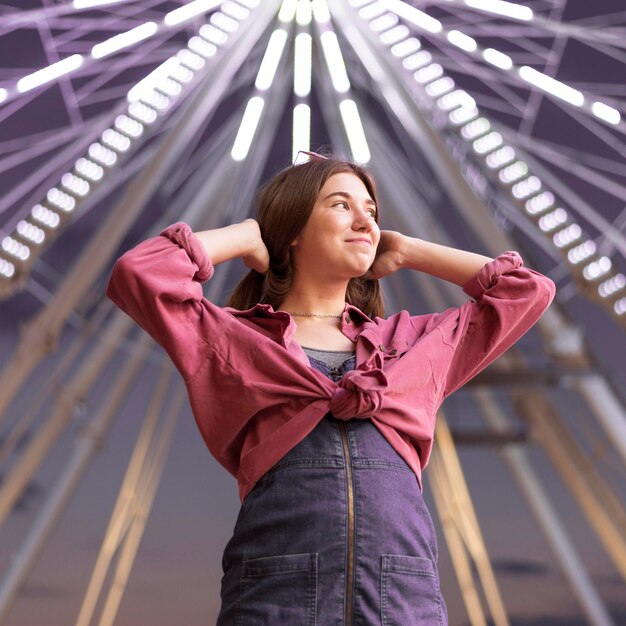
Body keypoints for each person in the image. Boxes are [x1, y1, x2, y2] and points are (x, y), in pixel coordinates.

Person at [105, 150, 556, 625]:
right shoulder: (233, 338)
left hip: (402, 597)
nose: (365, 221)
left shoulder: (412, 344)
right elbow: (141, 273)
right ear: (294, 230)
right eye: (341, 205)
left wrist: (408, 250)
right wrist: (247, 237)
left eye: (372, 211)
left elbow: (527, 291)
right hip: (276, 595)